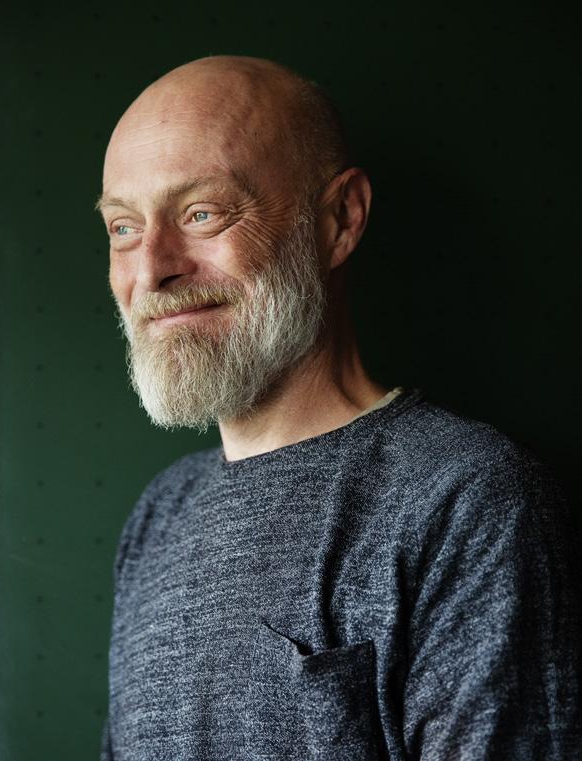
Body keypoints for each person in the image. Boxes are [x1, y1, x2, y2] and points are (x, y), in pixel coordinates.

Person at [97, 55, 581, 760]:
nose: (151, 269)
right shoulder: (159, 514)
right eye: (122, 227)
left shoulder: (464, 498)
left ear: (339, 219)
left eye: (201, 213)